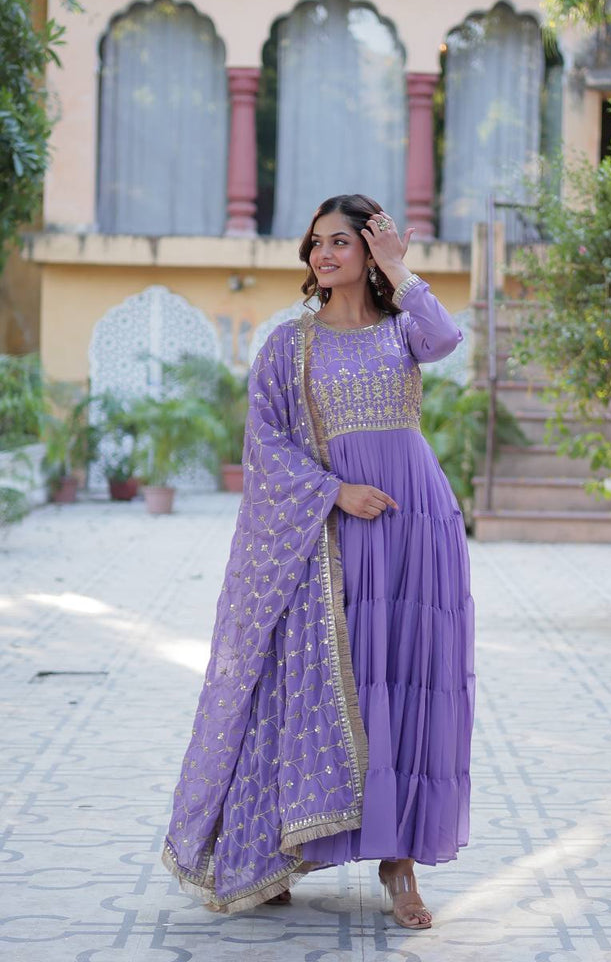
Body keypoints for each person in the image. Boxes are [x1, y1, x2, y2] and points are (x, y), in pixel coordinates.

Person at [162, 194, 475, 931]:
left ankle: (399, 863)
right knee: (317, 681)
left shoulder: (403, 329)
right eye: (316, 243)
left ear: (369, 251)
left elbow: (445, 337)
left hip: (414, 525)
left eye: (340, 242)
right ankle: (282, 847)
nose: (323, 254)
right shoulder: (288, 345)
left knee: (408, 681)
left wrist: (401, 270)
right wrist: (335, 491)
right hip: (330, 531)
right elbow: (265, 445)